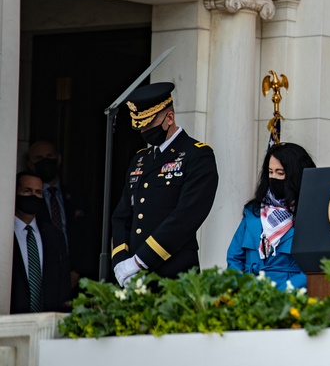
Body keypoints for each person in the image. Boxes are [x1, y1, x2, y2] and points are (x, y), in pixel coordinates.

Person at [111, 82, 219, 286]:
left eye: (149, 125)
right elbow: (122, 216)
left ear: (169, 118)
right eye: (140, 126)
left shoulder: (197, 155)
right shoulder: (140, 160)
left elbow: (186, 216)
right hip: (134, 279)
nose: (144, 131)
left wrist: (139, 261)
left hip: (174, 275)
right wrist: (121, 263)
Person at [227, 142, 315, 289]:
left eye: (280, 173)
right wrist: (241, 289)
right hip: (250, 296)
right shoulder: (252, 212)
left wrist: (280, 295)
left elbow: (312, 267)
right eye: (270, 172)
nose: (274, 177)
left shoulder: (311, 215)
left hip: (289, 300)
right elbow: (234, 257)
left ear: (296, 175)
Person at [25, 139, 96, 284]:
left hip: (76, 277)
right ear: (30, 164)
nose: (45, 161)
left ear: (59, 159)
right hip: (39, 276)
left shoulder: (77, 197)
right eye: (39, 158)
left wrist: (77, 271)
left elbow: (88, 236)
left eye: (50, 156)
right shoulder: (26, 198)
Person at [11, 171, 72, 313]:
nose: (33, 196)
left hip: (47, 324)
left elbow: (63, 286)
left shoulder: (54, 236)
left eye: (38, 192)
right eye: (27, 191)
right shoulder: (4, 232)